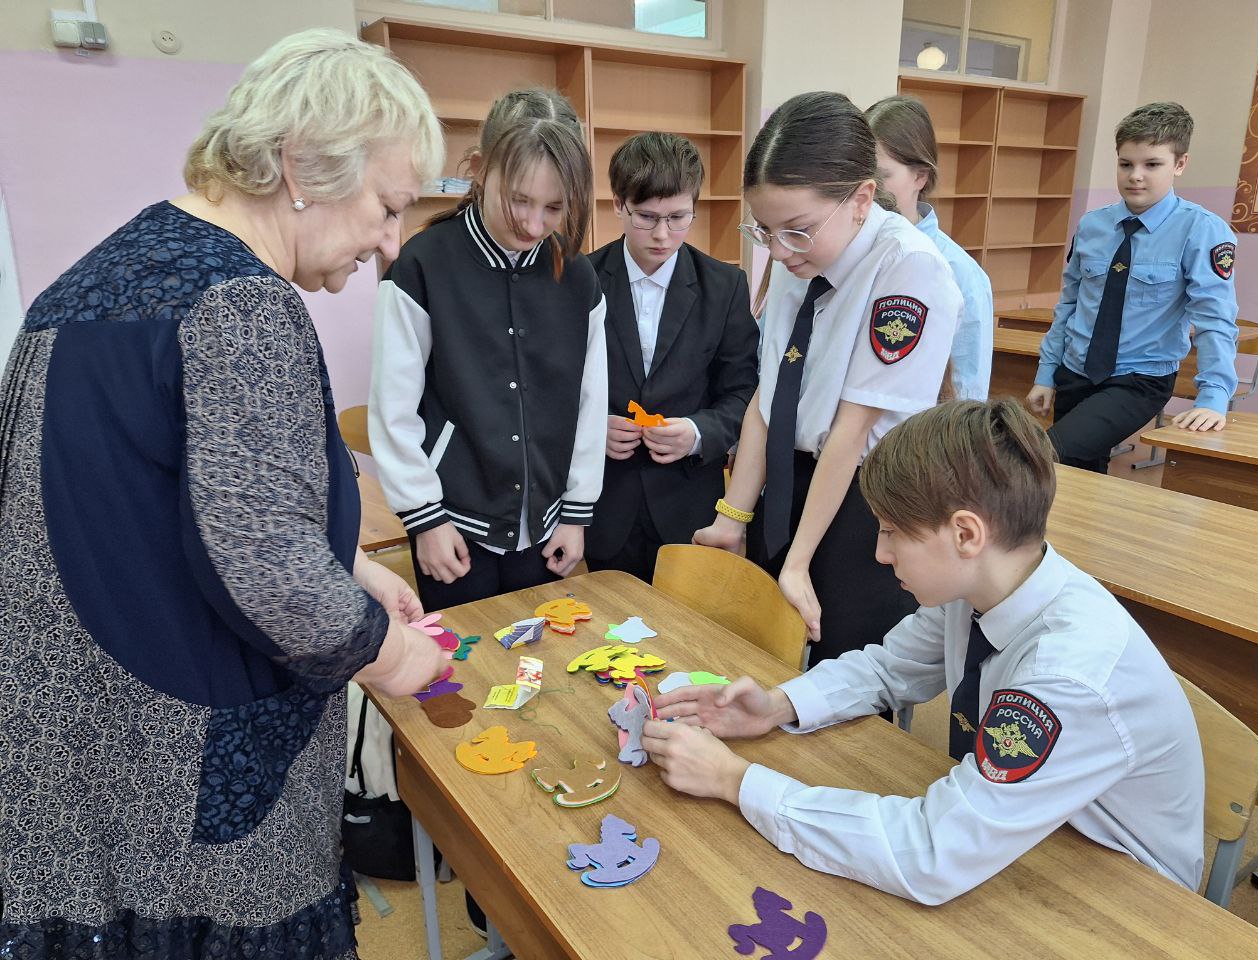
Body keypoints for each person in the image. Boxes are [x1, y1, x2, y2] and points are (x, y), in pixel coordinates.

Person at [0, 29, 452, 958]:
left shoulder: (84, 287)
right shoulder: (242, 302)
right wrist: (390, 653)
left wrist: (348, 566)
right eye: (387, 207)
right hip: (186, 786)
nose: (390, 243)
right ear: (301, 165)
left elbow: (170, 511)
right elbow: (269, 572)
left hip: (75, 766)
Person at [644, 399, 1205, 905]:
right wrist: (776, 706)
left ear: (966, 534)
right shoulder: (983, 587)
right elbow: (888, 668)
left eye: (892, 531)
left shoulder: (1067, 676)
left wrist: (736, 781)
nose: (880, 553)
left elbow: (931, 852)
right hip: (1025, 836)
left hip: (1123, 897)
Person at [693, 91, 961, 664]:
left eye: (796, 230)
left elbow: (852, 429)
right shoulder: (802, 253)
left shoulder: (908, 267)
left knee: (844, 665)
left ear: (861, 198)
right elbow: (770, 394)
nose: (778, 250)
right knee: (763, 656)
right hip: (789, 481)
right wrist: (732, 516)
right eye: (764, 230)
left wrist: (797, 561)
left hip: (867, 501)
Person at [369, 88, 606, 610]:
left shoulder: (578, 277)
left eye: (554, 207)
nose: (534, 225)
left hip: (547, 526)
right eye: (519, 200)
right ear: (479, 169)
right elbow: (392, 408)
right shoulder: (422, 265)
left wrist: (576, 511)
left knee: (544, 653)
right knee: (462, 657)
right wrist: (424, 517)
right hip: (451, 525)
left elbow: (590, 404)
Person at [1028, 101, 1238, 472]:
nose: (1135, 176)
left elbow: (1215, 319)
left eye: (1151, 165)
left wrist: (1213, 396)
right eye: (1126, 164)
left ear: (1180, 164)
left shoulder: (1201, 230)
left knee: (1044, 456)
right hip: (1076, 371)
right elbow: (1070, 305)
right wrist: (1046, 374)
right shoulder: (1092, 225)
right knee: (1075, 477)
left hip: (1139, 379)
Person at [585, 132, 758, 582]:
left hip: (688, 506)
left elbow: (744, 392)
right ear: (619, 205)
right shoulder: (580, 281)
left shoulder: (724, 286)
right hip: (604, 506)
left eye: (678, 218)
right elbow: (550, 389)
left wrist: (698, 432)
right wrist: (590, 427)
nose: (663, 235)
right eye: (647, 217)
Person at [867, 94, 994, 401]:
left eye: (881, 176)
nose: (867, 188)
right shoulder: (847, 252)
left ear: (920, 176)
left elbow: (967, 397)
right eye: (859, 174)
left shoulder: (961, 273)